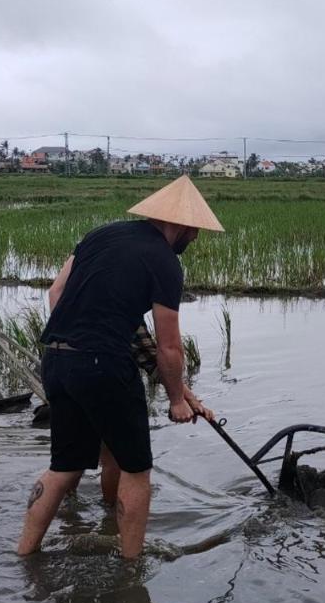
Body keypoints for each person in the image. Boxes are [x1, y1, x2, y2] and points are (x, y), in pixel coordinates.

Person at [16, 175, 224, 559]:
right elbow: (169, 345)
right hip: (103, 365)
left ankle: (24, 555)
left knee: (63, 469)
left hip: (58, 359)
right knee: (137, 471)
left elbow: (56, 293)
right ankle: (131, 572)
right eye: (194, 232)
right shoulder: (164, 261)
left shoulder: (100, 236)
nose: (194, 240)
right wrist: (176, 402)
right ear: (179, 225)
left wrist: (186, 393)